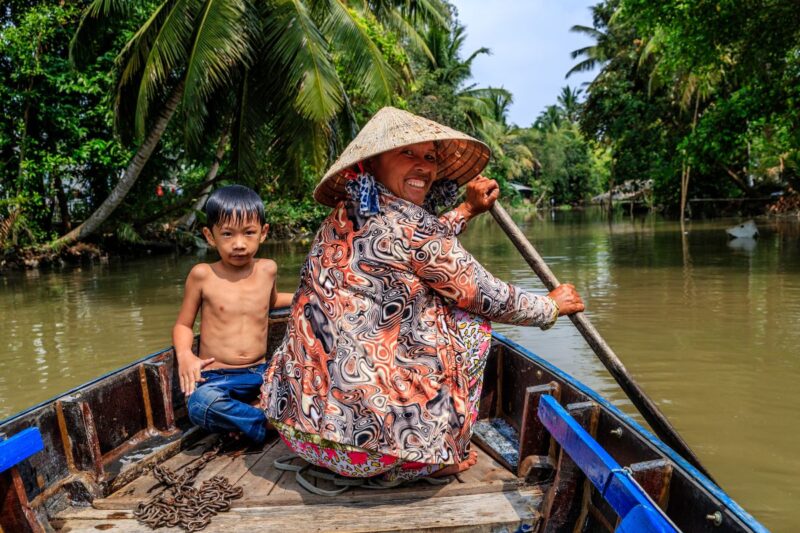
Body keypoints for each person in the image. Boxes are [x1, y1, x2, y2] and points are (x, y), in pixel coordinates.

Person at [262, 107, 584, 481]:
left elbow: (417, 242)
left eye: (429, 157)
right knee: (468, 320)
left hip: (302, 433)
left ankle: (423, 439)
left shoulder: (345, 213)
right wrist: (549, 306)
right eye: (407, 153)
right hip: (371, 453)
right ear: (371, 164)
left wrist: (466, 210)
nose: (423, 167)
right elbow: (486, 295)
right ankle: (443, 451)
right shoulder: (414, 228)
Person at [173, 185, 293, 444]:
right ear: (210, 236)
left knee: (305, 380)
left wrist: (306, 297)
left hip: (260, 373)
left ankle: (246, 419)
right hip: (216, 378)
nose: (239, 244)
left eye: (249, 233)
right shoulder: (202, 275)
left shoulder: (267, 270)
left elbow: (271, 302)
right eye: (227, 234)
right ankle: (267, 421)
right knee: (199, 405)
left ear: (263, 233)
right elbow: (183, 324)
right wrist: (185, 356)